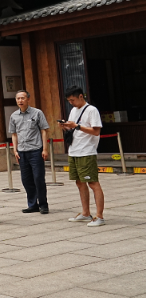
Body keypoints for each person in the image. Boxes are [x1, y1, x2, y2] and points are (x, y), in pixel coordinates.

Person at [59, 87, 105, 227]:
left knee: (92, 182)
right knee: (79, 182)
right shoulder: (73, 110)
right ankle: (86, 213)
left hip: (87, 151)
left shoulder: (92, 110)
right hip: (74, 150)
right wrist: (66, 126)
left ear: (80, 96)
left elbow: (96, 131)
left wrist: (77, 126)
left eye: (72, 100)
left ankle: (100, 216)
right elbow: (74, 128)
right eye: (69, 101)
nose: (71, 103)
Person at [9, 90, 50, 214]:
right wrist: (15, 150)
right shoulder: (14, 116)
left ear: (28, 99)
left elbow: (44, 130)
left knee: (38, 178)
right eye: (18, 98)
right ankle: (32, 204)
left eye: (22, 98)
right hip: (22, 152)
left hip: (36, 150)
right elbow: (14, 134)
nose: (20, 101)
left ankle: (43, 204)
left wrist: (45, 149)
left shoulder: (37, 113)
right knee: (26, 179)